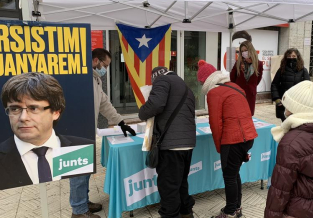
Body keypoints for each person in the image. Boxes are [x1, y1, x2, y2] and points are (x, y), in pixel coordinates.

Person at [69, 48, 136, 218]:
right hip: (75, 132)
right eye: (105, 65)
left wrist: (121, 122)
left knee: (85, 171)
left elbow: (105, 104)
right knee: (78, 172)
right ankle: (78, 211)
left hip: (86, 132)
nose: (105, 69)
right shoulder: (80, 78)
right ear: (96, 60)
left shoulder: (95, 80)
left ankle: (83, 202)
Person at [0, 72, 93, 190]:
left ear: (56, 112)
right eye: (15, 109)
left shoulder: (83, 149)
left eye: (33, 108)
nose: (23, 117)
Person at [264, 71, 313, 218]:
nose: (285, 110)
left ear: (297, 108)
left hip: (298, 210)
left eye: (287, 106)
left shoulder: (290, 144)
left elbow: (280, 188)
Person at [198, 60, 258, 218]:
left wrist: (220, 147)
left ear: (205, 81)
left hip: (233, 139)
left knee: (229, 176)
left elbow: (215, 124)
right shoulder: (235, 86)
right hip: (248, 136)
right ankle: (236, 208)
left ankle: (230, 211)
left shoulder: (214, 93)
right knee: (235, 173)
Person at [139, 66, 196, 218]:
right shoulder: (184, 86)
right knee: (181, 182)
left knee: (168, 187)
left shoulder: (162, 80)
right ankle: (186, 213)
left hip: (171, 145)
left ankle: (170, 215)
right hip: (188, 143)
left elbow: (156, 104)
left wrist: (142, 112)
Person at [271, 48, 310, 122]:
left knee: (297, 124)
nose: (291, 58)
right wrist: (277, 99)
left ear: (297, 57)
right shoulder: (282, 69)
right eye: (289, 56)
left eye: (293, 56)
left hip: (298, 103)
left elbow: (308, 86)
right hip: (284, 102)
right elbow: (274, 84)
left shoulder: (303, 70)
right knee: (285, 124)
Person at [230, 37, 263, 116]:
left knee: (248, 115)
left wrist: (251, 87)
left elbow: (258, 80)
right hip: (238, 93)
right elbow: (232, 78)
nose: (244, 52)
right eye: (242, 51)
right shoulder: (238, 63)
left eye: (246, 50)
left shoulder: (258, 64)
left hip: (250, 94)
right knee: (238, 114)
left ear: (250, 50)